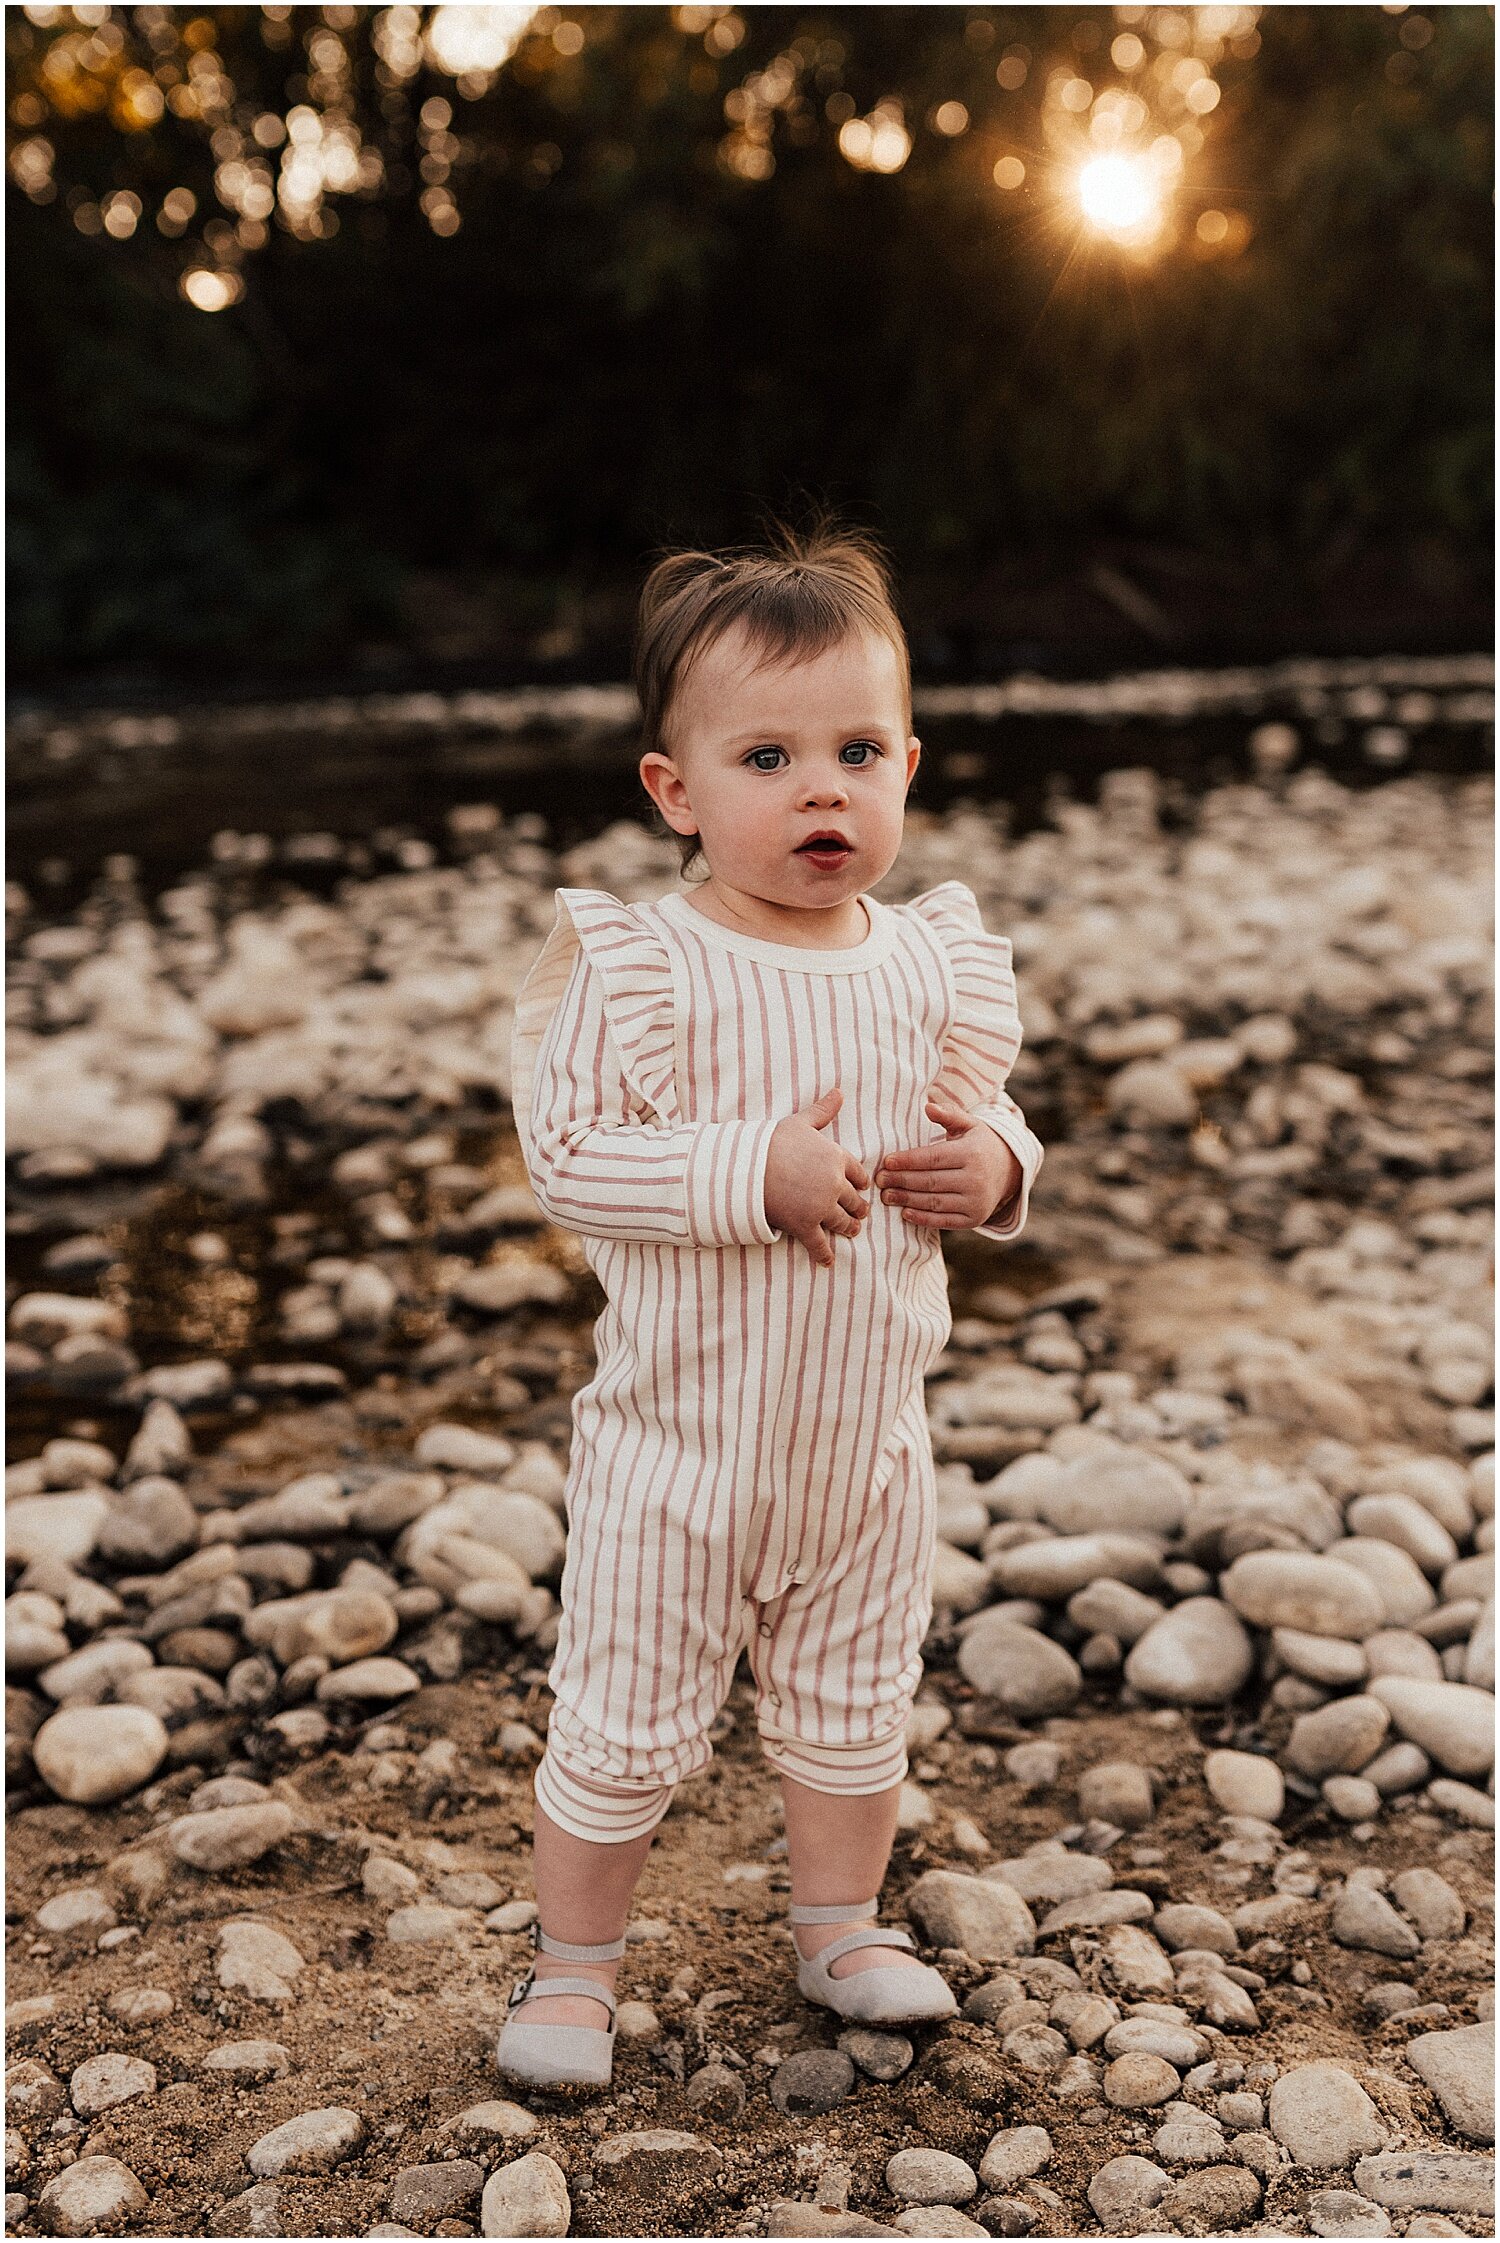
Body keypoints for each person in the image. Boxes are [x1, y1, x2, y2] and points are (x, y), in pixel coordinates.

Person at [501, 520, 1045, 2090]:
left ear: (910, 765)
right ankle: (574, 1971)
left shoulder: (928, 962)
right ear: (677, 792)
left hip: (862, 1450)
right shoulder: (647, 965)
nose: (824, 788)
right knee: (618, 1718)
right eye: (768, 755)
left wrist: (992, 1170)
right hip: (681, 1456)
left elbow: (997, 1115)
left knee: (857, 1699)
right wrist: (752, 1171)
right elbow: (574, 1160)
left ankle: (838, 1923)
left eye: (858, 750)